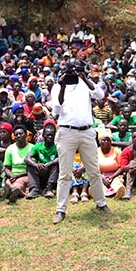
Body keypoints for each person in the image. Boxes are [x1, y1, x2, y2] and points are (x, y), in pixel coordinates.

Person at [51, 60, 112, 224]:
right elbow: (56, 109)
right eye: (68, 70)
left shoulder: (86, 83)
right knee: (64, 173)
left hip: (86, 131)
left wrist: (84, 78)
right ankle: (60, 210)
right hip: (66, 131)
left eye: (75, 70)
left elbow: (100, 95)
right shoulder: (58, 86)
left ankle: (101, 203)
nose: (72, 73)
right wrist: (63, 86)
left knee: (93, 170)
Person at [25, 123, 59, 200]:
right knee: (30, 163)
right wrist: (36, 165)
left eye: (52, 135)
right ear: (43, 135)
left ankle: (49, 188)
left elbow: (61, 158)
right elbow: (27, 158)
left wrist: (49, 164)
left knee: (55, 164)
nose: (50, 137)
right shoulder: (37, 146)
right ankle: (34, 189)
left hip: (51, 174)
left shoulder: (57, 146)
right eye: (48, 135)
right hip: (40, 172)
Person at [0, 124, 32, 203]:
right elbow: (7, 167)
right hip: (13, 175)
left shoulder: (32, 148)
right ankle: (9, 191)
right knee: (8, 182)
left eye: (21, 134)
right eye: (16, 134)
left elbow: (32, 168)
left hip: (26, 174)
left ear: (26, 134)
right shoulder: (10, 148)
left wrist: (18, 176)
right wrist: (11, 175)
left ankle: (13, 192)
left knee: (19, 183)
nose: (18, 136)